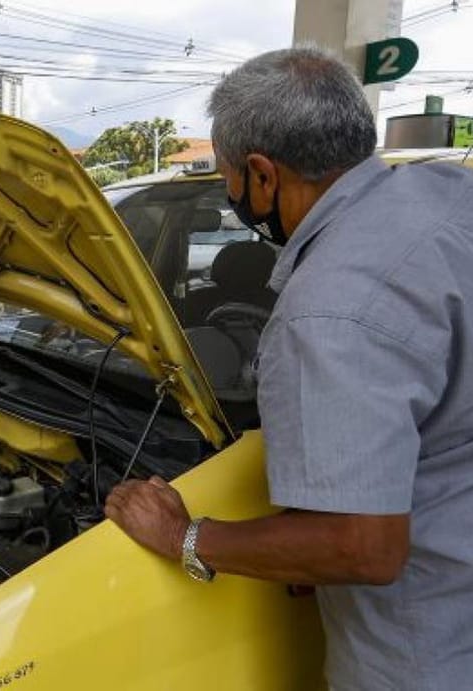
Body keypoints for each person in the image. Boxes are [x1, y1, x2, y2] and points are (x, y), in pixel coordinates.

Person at [105, 46, 473, 690]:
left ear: (261, 174)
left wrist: (186, 536)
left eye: (227, 179)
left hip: (428, 648)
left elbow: (362, 546)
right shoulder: (447, 195)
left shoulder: (329, 313)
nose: (231, 193)